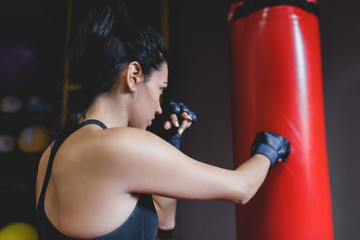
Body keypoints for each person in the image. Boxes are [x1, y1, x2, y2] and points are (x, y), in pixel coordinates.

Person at [35, 0, 290, 239]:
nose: (159, 108)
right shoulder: (120, 144)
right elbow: (242, 188)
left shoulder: (50, 155)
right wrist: (269, 148)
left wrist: (170, 143)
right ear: (134, 75)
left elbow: (165, 220)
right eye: (161, 89)